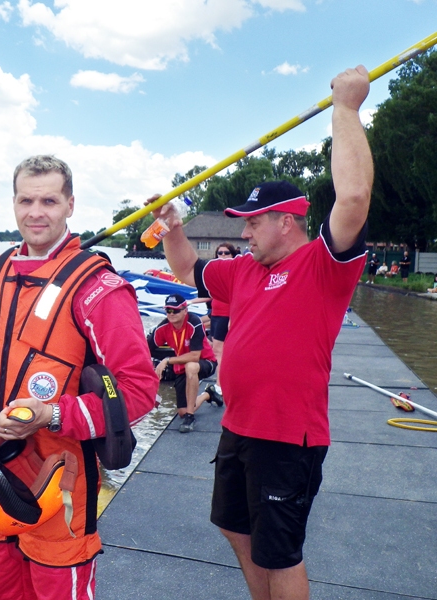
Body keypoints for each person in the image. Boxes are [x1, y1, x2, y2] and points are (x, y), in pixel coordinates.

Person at [147, 65, 373, 600]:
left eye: (251, 222)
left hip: (288, 436)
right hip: (239, 426)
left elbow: (355, 199)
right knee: (232, 526)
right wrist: (173, 228)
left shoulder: (323, 264)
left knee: (279, 550)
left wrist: (346, 108)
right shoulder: (243, 270)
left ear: (286, 222)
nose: (243, 230)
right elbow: (185, 270)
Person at [0, 155, 157, 599]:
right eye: (26, 200)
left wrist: (52, 414)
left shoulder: (98, 288)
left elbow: (139, 392)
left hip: (59, 486)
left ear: (70, 205)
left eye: (49, 200)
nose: (35, 212)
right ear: (13, 203)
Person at [147, 293, 219, 433]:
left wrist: (167, 360)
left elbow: (195, 356)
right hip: (181, 367)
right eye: (168, 310)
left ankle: (190, 418)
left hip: (205, 362)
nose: (171, 313)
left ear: (185, 310)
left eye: (175, 310)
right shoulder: (163, 327)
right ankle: (208, 394)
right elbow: (144, 349)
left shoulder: (194, 322)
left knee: (191, 366)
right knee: (182, 411)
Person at [205, 243, 238, 405]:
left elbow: (237, 297)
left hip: (226, 315)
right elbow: (209, 294)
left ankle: (220, 385)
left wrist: (233, 318)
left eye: (226, 253)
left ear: (233, 255)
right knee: (217, 351)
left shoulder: (234, 274)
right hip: (216, 315)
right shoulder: (217, 274)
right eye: (220, 253)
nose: (223, 255)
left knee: (221, 352)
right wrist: (188, 301)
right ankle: (222, 384)